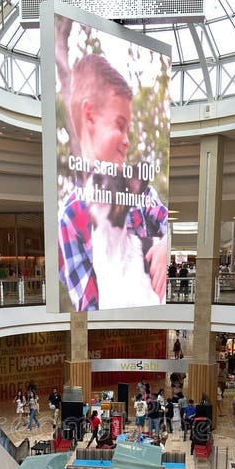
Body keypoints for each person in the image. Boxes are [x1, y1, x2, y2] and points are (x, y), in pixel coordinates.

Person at [57, 54, 168, 311]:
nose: (127, 140)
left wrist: (166, 244)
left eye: (129, 128)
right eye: (120, 125)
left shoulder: (142, 193)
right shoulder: (69, 218)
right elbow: (90, 308)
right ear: (89, 116)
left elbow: (168, 223)